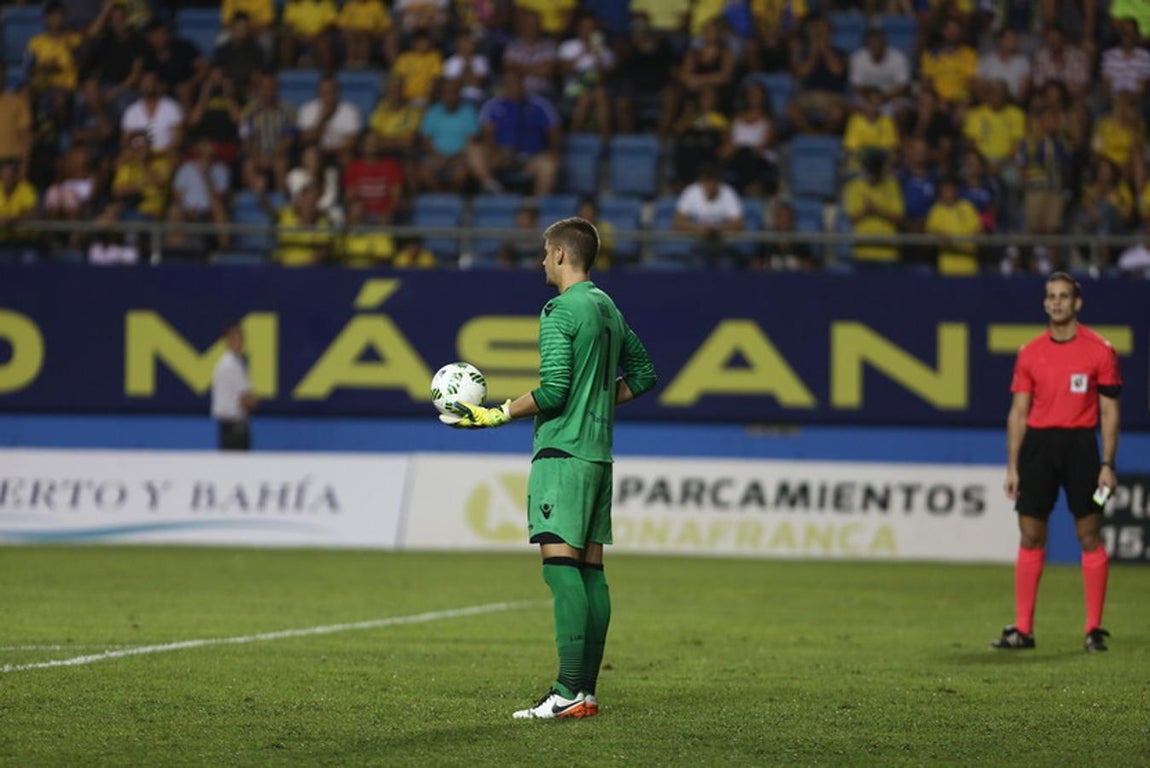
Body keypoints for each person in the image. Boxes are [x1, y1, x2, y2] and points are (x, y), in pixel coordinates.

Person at [441, 216, 657, 719]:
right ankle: (585, 694)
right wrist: (597, 404)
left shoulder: (560, 310)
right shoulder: (608, 308)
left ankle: (566, 691)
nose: (541, 260)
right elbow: (644, 375)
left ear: (561, 254)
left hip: (562, 456)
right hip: (599, 456)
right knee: (592, 573)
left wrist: (497, 413)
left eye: (544, 252)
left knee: (561, 572)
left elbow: (556, 390)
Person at [993, 272, 1122, 653]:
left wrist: (1108, 462)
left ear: (1077, 302)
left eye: (1064, 296)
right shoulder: (1030, 353)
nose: (1057, 302)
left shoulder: (1100, 350)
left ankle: (1093, 629)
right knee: (1031, 535)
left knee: (1089, 535)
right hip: (1038, 449)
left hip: (1082, 449)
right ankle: (1023, 630)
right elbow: (1018, 413)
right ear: (1045, 303)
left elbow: (1110, 412)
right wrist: (1013, 466)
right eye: (1051, 296)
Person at [211, 321, 258, 451]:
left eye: (241, 338)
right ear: (226, 340)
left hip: (231, 425)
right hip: (233, 427)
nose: (239, 342)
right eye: (234, 338)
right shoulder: (231, 365)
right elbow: (247, 400)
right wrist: (255, 401)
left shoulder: (227, 363)